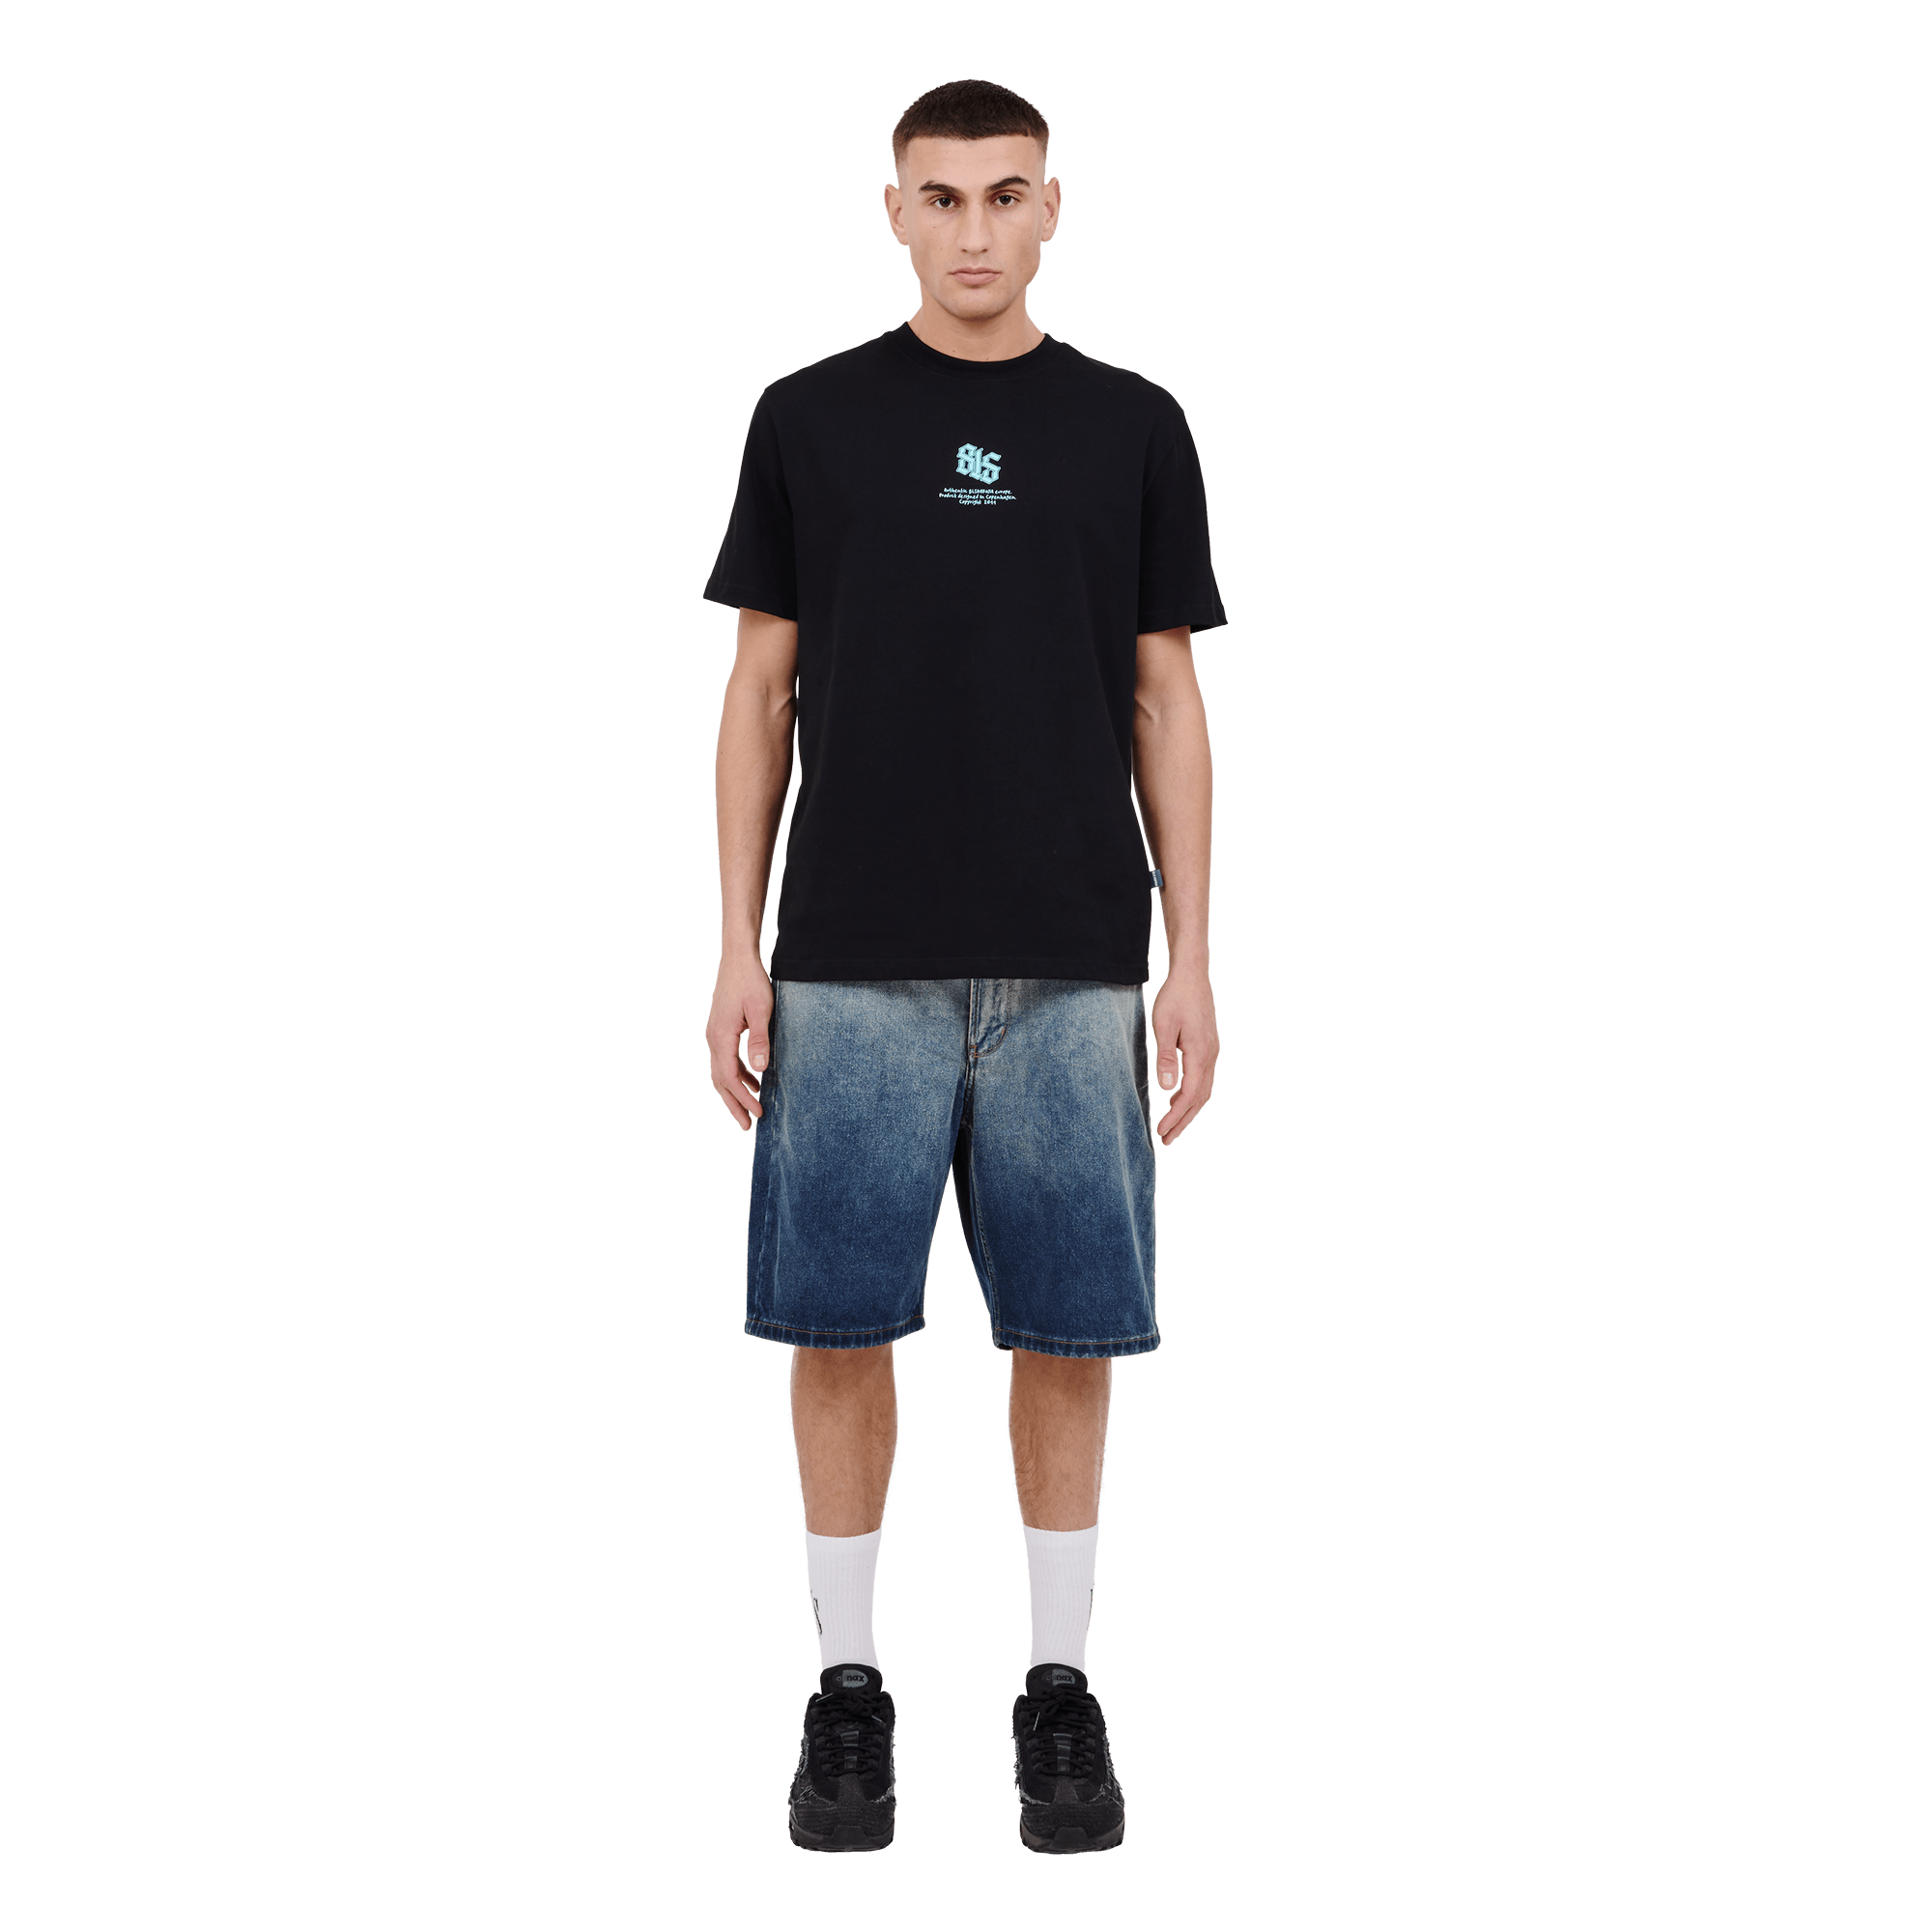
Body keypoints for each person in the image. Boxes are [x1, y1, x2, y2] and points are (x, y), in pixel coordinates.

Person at [701, 76, 1225, 1856]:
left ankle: (1058, 1685)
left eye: (1008, 195)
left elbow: (1166, 696)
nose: (976, 229)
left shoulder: (1134, 424)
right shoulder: (809, 418)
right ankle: (847, 1687)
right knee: (839, 1324)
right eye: (944, 197)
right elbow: (758, 690)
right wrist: (734, 943)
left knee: (1068, 1332)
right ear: (896, 211)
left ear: (1053, 207)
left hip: (1076, 959)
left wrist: (1193, 953)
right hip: (849, 958)